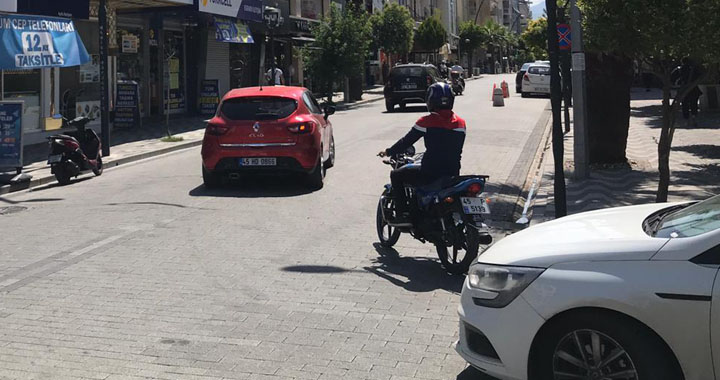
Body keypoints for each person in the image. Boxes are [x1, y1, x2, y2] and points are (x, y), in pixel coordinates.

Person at [378, 83, 465, 225]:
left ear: (430, 100)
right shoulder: (461, 123)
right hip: (452, 173)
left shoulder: (426, 121)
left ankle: (402, 214)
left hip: (429, 173)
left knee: (396, 175)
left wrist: (388, 151)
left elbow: (406, 142)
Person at [679, 58, 702, 127]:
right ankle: (694, 118)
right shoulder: (694, 69)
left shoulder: (680, 69)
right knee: (694, 104)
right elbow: (700, 76)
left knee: (685, 104)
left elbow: (673, 77)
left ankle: (687, 120)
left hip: (685, 88)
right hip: (694, 88)